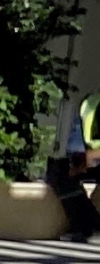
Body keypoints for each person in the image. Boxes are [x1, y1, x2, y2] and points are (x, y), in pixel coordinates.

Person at [52, 87, 100, 243]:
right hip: (95, 158)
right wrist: (78, 161)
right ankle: (88, 225)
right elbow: (76, 143)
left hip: (95, 156)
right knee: (58, 171)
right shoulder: (90, 103)